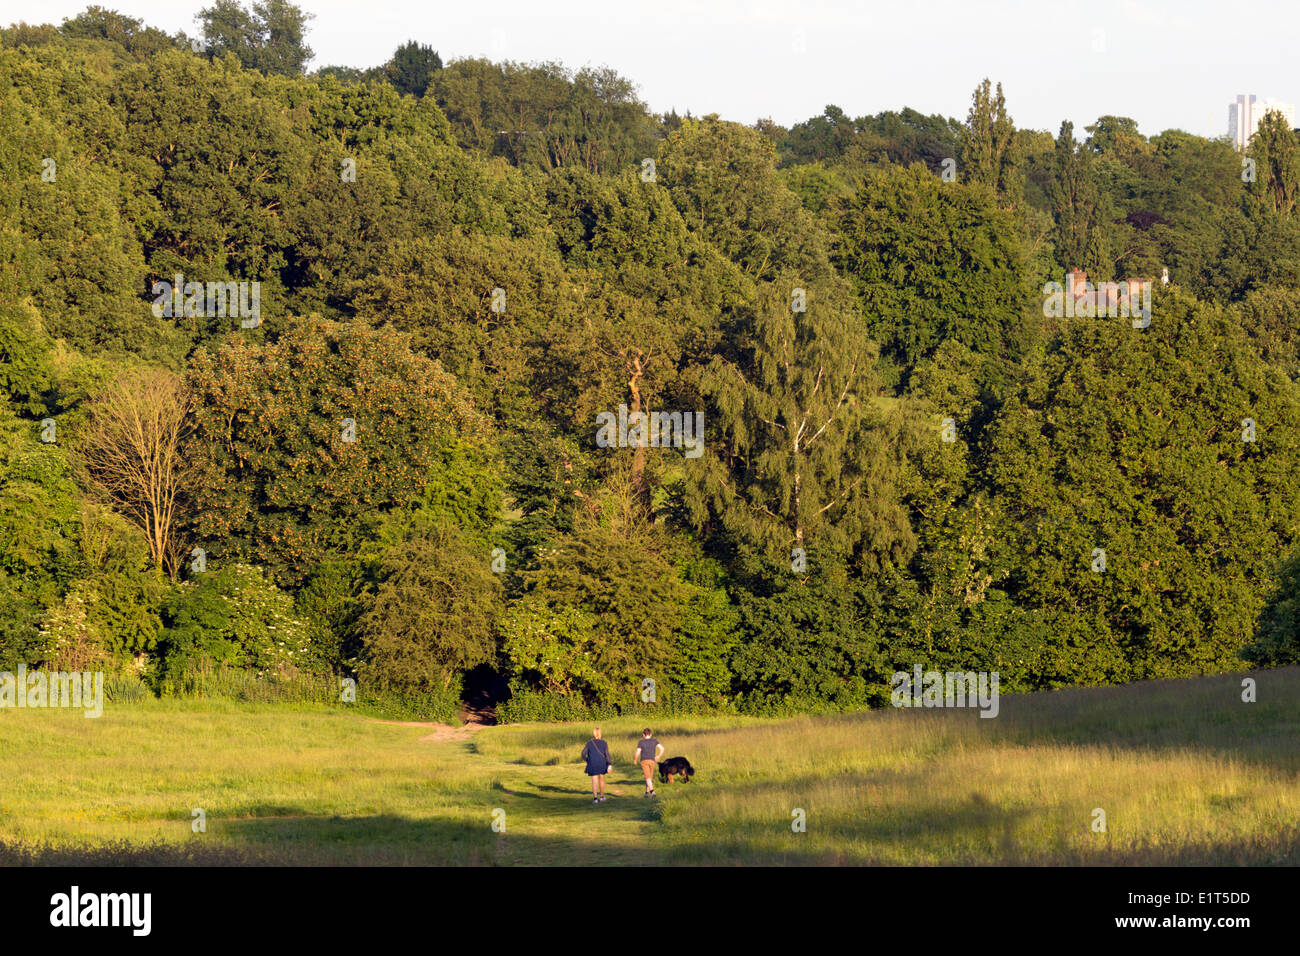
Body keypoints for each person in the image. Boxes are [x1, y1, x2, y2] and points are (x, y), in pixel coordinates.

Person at [580, 727, 612, 804]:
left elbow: (583, 753)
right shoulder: (604, 743)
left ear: (593, 734)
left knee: (594, 780)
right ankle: (602, 797)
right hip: (602, 763)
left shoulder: (589, 743)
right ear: (600, 734)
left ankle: (595, 798)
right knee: (601, 779)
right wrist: (609, 764)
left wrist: (587, 760)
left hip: (592, 763)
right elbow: (607, 754)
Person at [633, 728, 664, 797]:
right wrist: (658, 756)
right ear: (651, 734)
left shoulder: (641, 742)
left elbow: (638, 752)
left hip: (644, 760)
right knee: (649, 777)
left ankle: (652, 791)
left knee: (647, 777)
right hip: (652, 760)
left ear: (643, 735)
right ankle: (646, 793)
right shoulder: (654, 741)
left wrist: (635, 759)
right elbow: (662, 748)